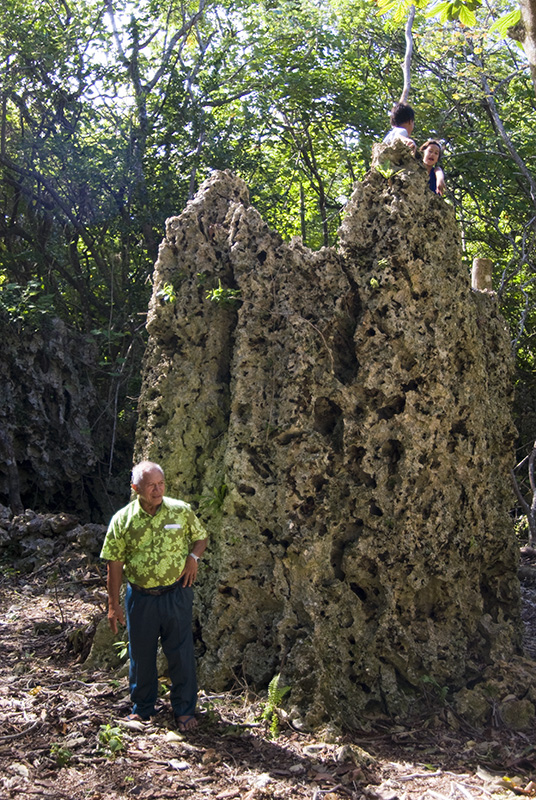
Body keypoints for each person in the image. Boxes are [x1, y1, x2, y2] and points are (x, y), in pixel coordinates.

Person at [100, 460, 208, 732]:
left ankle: (184, 710)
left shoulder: (180, 511)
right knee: (141, 654)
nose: (157, 490)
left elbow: (201, 537)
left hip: (176, 593)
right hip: (140, 597)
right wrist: (113, 605)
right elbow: (113, 564)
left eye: (161, 484)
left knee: (181, 653)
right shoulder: (123, 520)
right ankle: (143, 708)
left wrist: (193, 557)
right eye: (151, 486)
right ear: (136, 487)